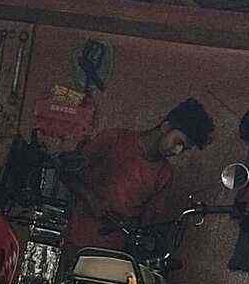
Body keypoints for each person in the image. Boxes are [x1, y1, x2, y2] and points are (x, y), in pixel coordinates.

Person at [64, 98, 216, 250]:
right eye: (178, 142)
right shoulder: (114, 139)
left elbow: (146, 223)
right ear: (166, 127)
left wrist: (131, 226)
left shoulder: (164, 175)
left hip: (114, 251)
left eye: (184, 149)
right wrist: (90, 198)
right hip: (76, 239)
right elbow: (66, 172)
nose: (177, 151)